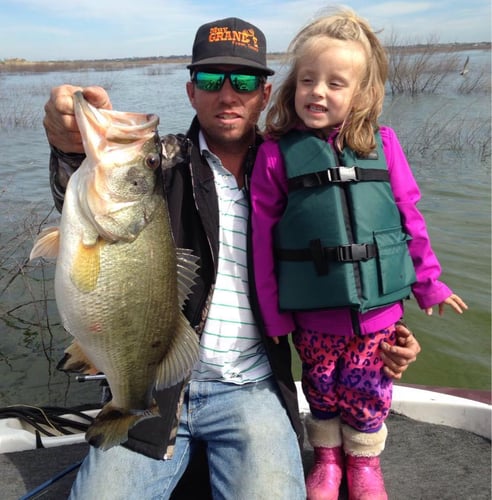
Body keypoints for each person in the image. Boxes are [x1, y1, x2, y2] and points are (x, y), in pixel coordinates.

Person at [43, 16, 422, 500]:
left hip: (253, 388)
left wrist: (388, 330)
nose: (227, 94)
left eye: (243, 81)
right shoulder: (160, 165)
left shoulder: (296, 170)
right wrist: (66, 144)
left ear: (265, 95)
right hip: (156, 386)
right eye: (210, 80)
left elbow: (358, 254)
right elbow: (86, 196)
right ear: (190, 92)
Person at [250, 8, 468, 500]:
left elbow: (410, 217)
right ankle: (327, 460)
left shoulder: (385, 145)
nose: (318, 92)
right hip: (313, 315)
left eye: (334, 83)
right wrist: (275, 316)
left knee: (370, 392)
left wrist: (429, 280)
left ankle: (365, 464)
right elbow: (264, 241)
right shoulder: (273, 154)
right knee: (322, 390)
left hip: (379, 314)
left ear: (361, 93)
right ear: (292, 87)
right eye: (307, 80)